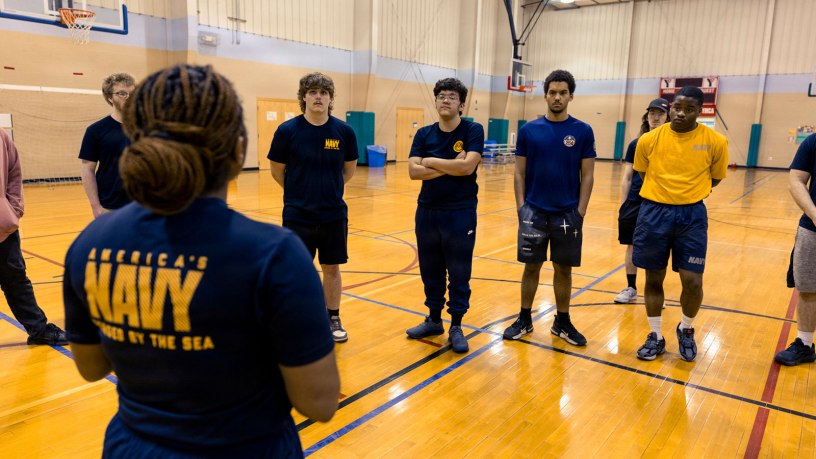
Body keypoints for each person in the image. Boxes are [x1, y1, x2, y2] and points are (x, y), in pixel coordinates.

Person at [63, 64, 340, 458]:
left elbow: (91, 367)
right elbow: (319, 401)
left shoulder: (90, 244)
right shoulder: (272, 254)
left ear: (136, 139)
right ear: (237, 150)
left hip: (134, 446)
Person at [632, 86, 728, 362]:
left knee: (692, 281)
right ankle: (656, 335)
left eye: (689, 109)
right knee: (653, 277)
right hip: (654, 212)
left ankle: (686, 328)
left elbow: (716, 178)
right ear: (671, 107)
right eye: (677, 107)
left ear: (700, 111)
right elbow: (641, 171)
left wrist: (690, 193)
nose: (681, 114)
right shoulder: (649, 140)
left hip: (692, 216)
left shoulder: (715, 141)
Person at [503, 69, 596, 346]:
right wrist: (522, 208)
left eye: (563, 93)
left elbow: (588, 174)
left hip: (568, 214)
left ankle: (562, 322)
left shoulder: (582, 131)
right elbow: (519, 173)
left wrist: (580, 211)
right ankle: (524, 318)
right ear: (545, 95)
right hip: (533, 212)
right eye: (553, 92)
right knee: (530, 268)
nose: (557, 97)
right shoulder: (529, 130)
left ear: (571, 96)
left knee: (563, 270)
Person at [268, 72, 358, 343]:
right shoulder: (287, 131)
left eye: (324, 92)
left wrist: (325, 191)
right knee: (298, 268)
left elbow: (348, 171)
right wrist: (300, 193)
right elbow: (277, 171)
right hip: (298, 214)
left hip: (333, 214)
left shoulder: (344, 132)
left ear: (330, 98)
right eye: (313, 92)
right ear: (304, 96)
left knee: (331, 268)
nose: (318, 96)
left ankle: (332, 317)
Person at [404, 78, 484, 354]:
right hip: (427, 211)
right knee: (430, 269)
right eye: (441, 96)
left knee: (459, 271)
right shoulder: (424, 134)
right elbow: (413, 172)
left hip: (460, 213)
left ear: (461, 104)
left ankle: (457, 326)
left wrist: (430, 161)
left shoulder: (473, 130)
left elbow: (467, 168)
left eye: (451, 96)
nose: (445, 100)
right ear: (436, 101)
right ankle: (434, 320)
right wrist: (453, 165)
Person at [0, 129, 67, 346]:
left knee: (16, 279)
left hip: (3, 227)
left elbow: (14, 173)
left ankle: (38, 330)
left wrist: (13, 208)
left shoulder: (1, 136)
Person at [613, 98, 670, 304]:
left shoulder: (671, 143)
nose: (655, 117)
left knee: (656, 246)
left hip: (658, 203)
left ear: (667, 117)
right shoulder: (635, 144)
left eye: (660, 113)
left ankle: (654, 291)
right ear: (647, 116)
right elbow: (628, 176)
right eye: (652, 113)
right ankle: (631, 287)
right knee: (631, 246)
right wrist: (623, 204)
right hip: (635, 201)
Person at [774, 133, 816, 366]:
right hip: (812, 228)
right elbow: (796, 180)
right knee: (809, 288)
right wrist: (814, 213)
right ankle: (805, 344)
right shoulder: (812, 142)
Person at [79, 73, 135, 218]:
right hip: (110, 208)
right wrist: (96, 206)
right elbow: (87, 170)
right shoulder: (96, 130)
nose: (129, 98)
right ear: (109, 97)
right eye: (122, 93)